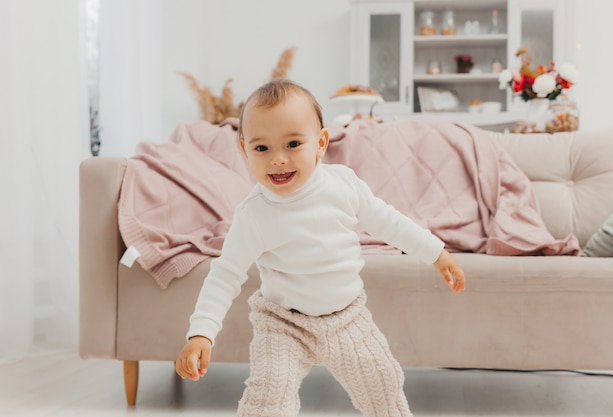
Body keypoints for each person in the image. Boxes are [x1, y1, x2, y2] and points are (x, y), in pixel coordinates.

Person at [175, 79, 467, 416]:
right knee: (269, 392)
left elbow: (388, 222)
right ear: (244, 150)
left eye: (293, 143)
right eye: (262, 149)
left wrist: (436, 254)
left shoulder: (342, 186)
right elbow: (225, 275)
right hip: (283, 323)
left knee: (383, 381)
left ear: (321, 143)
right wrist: (201, 335)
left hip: (346, 317)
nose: (278, 160)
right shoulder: (253, 214)